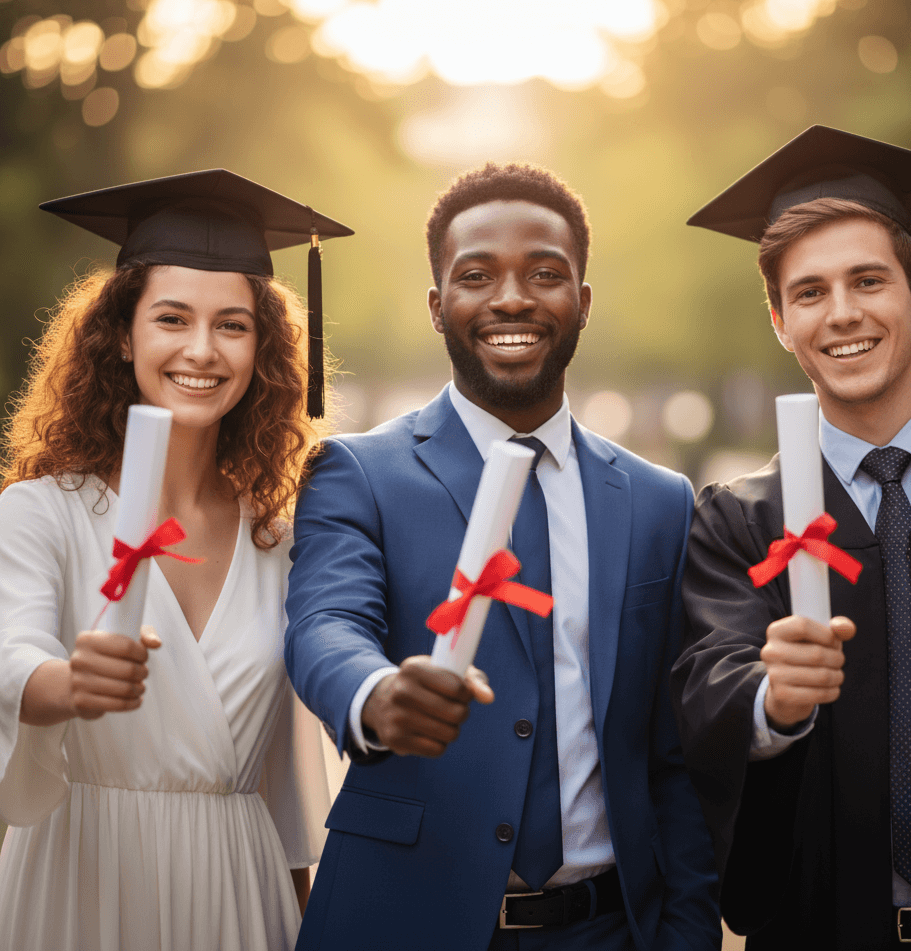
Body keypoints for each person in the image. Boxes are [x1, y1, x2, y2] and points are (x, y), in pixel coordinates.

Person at [285, 162, 720, 950]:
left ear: (582, 302)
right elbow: (325, 624)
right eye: (477, 276)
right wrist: (376, 693)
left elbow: (673, 752)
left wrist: (686, 933)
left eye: (545, 275)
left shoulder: (658, 502)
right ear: (437, 306)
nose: (512, 298)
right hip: (405, 922)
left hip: (607, 932)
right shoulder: (359, 474)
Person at [672, 125, 911, 949]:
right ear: (779, 320)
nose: (842, 314)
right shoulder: (740, 521)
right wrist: (773, 699)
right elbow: (707, 679)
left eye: (868, 280)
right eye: (809, 292)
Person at [0, 170, 351, 951]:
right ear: (123, 336)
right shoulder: (41, 516)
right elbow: (9, 655)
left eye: (232, 325)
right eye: (171, 318)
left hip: (239, 891)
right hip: (81, 882)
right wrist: (68, 682)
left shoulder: (282, 542)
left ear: (262, 350)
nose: (201, 349)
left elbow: (287, 780)